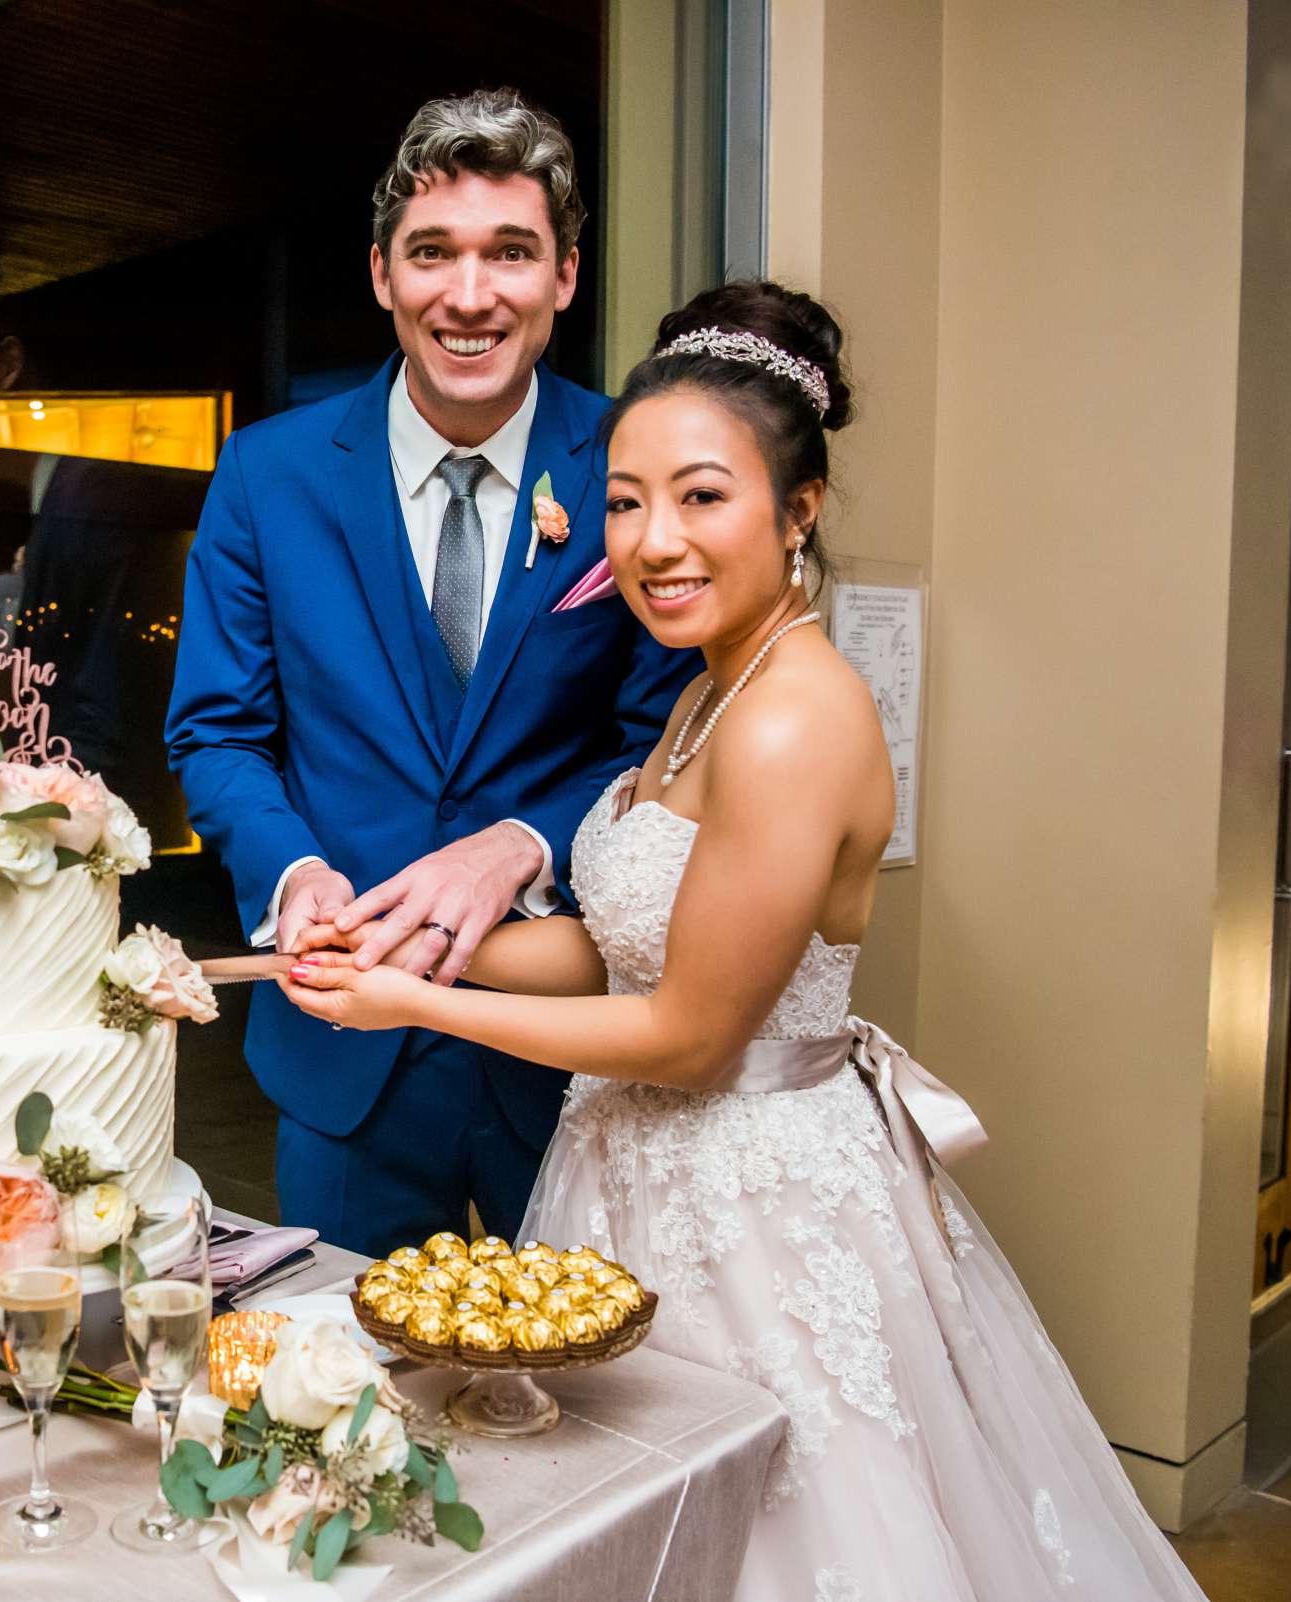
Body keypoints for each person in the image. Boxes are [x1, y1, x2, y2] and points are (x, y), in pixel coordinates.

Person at [280, 282, 1209, 1600]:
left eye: (701, 496)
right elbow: (621, 954)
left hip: (757, 1204)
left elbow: (695, 1034)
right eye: (623, 500)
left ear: (799, 509)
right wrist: (408, 945)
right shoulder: (713, 693)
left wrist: (414, 1008)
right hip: (641, 1174)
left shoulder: (793, 719)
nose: (653, 539)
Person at [164, 89, 698, 1255]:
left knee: (584, 1402)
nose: (469, 295)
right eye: (432, 254)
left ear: (563, 276)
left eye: (511, 252)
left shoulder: (632, 463)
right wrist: (291, 866)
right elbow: (216, 732)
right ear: (380, 274)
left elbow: (660, 742)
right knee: (353, 1406)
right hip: (342, 1050)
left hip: (565, 1048)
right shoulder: (267, 474)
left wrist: (519, 844)